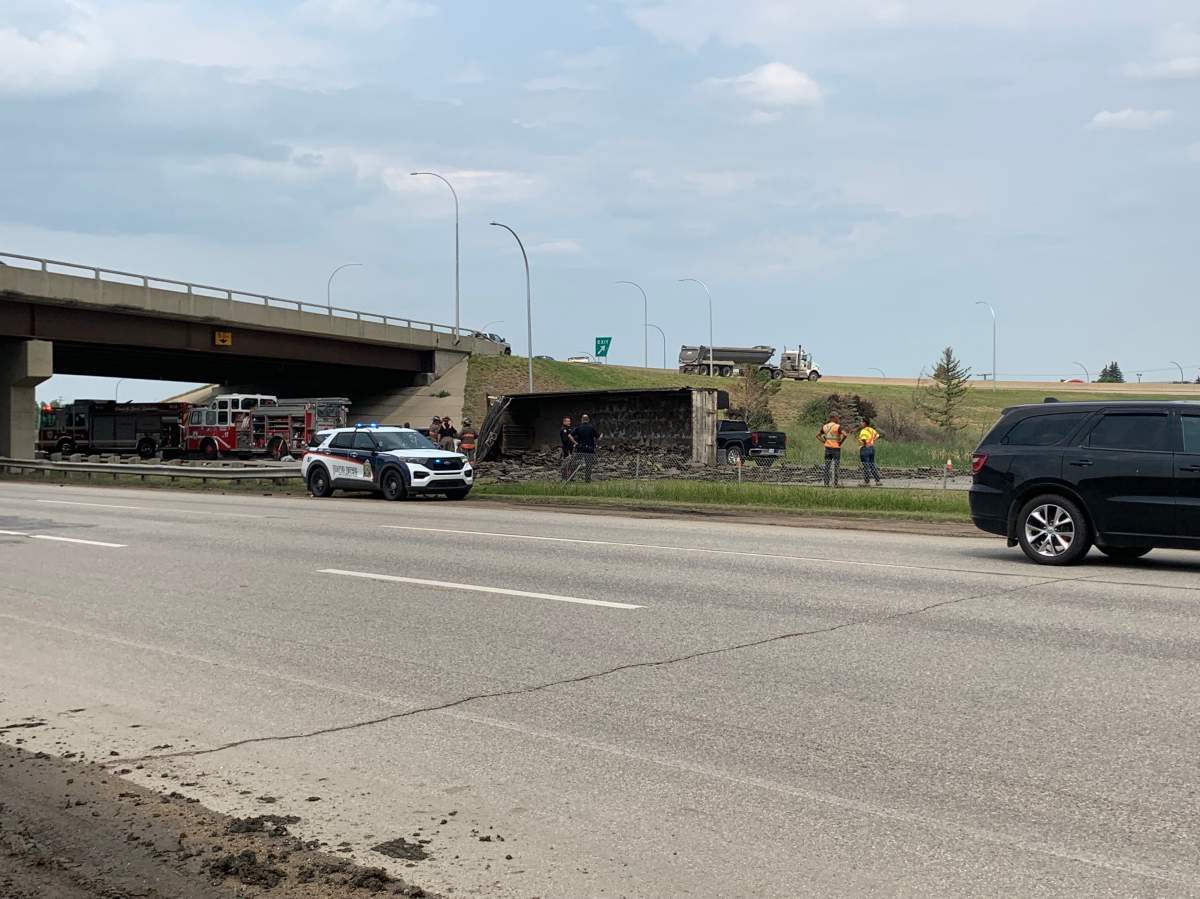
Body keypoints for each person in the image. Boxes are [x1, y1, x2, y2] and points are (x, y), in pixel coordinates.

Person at [817, 412, 846, 487]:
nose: (838, 419)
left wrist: (824, 442)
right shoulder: (837, 426)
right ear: (834, 418)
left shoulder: (825, 426)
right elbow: (845, 434)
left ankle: (826, 483)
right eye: (837, 417)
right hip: (836, 448)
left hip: (827, 448)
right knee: (836, 466)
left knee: (827, 466)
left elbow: (817, 435)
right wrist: (841, 442)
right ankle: (835, 483)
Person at [571, 414, 600, 483]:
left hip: (580, 449)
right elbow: (598, 438)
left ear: (581, 420)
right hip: (589, 450)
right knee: (589, 465)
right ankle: (587, 480)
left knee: (573, 462)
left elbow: (570, 436)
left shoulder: (578, 428)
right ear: (588, 420)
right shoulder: (591, 428)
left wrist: (575, 443)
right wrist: (601, 435)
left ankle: (571, 477)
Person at [858, 416, 882, 486]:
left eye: (861, 422)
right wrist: (871, 442)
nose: (860, 423)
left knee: (866, 465)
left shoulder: (863, 430)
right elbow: (877, 436)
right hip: (872, 448)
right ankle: (878, 481)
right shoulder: (871, 430)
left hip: (865, 448)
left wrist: (865, 444)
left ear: (864, 423)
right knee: (872, 465)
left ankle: (866, 482)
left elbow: (863, 438)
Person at [559, 415, 576, 480]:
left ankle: (570, 477)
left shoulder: (569, 429)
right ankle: (564, 477)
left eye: (569, 421)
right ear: (564, 422)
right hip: (566, 449)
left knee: (570, 463)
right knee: (566, 463)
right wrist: (571, 440)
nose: (569, 422)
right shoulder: (564, 430)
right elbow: (565, 440)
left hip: (570, 449)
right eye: (568, 421)